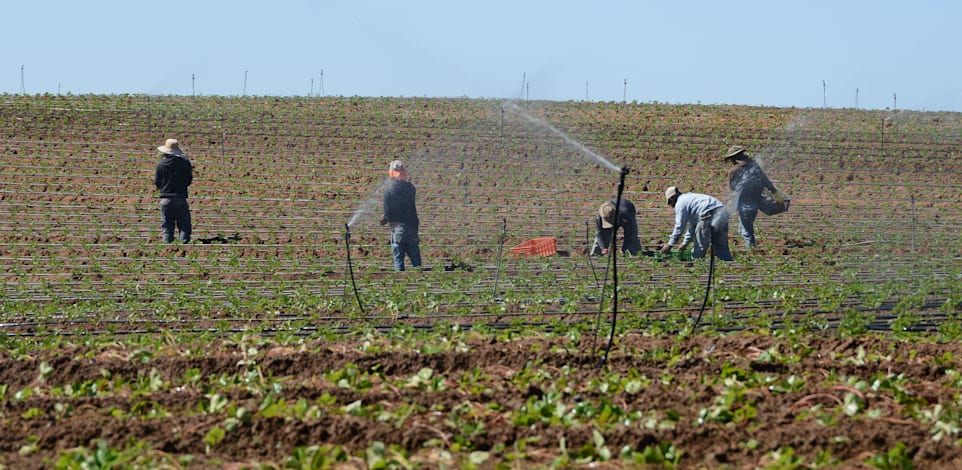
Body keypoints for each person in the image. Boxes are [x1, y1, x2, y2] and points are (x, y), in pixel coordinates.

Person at [724, 145, 788, 248]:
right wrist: (778, 196)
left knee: (746, 232)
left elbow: (732, 188)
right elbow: (767, 183)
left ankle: (752, 251)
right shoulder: (754, 167)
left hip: (745, 204)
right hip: (756, 202)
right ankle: (751, 248)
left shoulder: (734, 171)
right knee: (743, 229)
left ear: (734, 158)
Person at [659, 186, 734, 261]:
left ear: (672, 198)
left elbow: (679, 226)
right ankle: (727, 265)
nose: (671, 206)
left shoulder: (680, 203)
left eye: (669, 203)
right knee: (722, 246)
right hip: (722, 213)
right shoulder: (690, 198)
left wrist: (670, 244)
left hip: (707, 215)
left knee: (700, 247)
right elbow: (693, 226)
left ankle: (697, 264)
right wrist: (685, 243)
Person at [380, 160, 421, 271]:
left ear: (392, 172)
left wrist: (384, 220)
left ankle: (401, 283)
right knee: (416, 260)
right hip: (412, 228)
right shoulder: (411, 188)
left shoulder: (388, 189)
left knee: (398, 261)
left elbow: (387, 211)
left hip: (398, 229)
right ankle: (421, 281)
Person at [154, 138, 193, 243]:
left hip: (165, 198)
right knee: (184, 224)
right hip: (180, 197)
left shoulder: (161, 165)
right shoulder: (185, 164)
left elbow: (157, 182)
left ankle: (167, 247)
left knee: (167, 225)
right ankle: (184, 245)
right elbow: (189, 180)